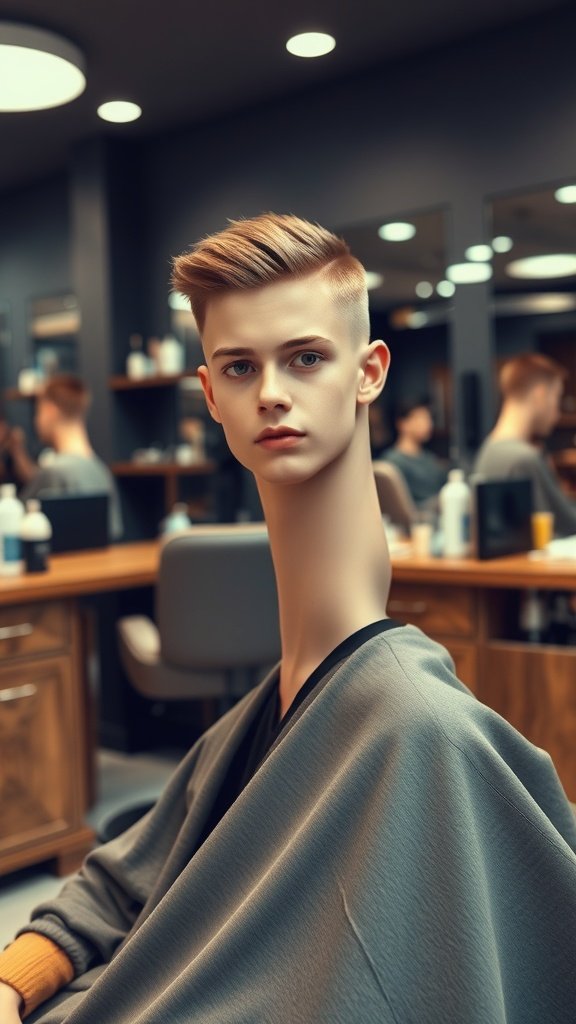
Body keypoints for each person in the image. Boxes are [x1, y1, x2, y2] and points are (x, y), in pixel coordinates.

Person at [1, 215, 575, 1024]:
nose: (270, 391)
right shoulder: (262, 714)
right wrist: (12, 979)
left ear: (369, 371)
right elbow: (118, 880)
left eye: (305, 358)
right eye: (240, 367)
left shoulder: (416, 731)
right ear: (209, 395)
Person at [474, 352, 576, 537]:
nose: (557, 412)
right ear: (540, 394)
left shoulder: (488, 450)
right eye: (556, 397)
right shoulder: (524, 458)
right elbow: (568, 524)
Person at [18, 374, 123, 539]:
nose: (36, 419)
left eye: (38, 411)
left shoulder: (55, 472)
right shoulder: (101, 471)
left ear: (49, 410)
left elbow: (12, 520)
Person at [381, 396, 447, 506]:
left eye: (428, 418)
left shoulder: (429, 458)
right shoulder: (392, 462)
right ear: (403, 424)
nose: (428, 423)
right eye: (420, 418)